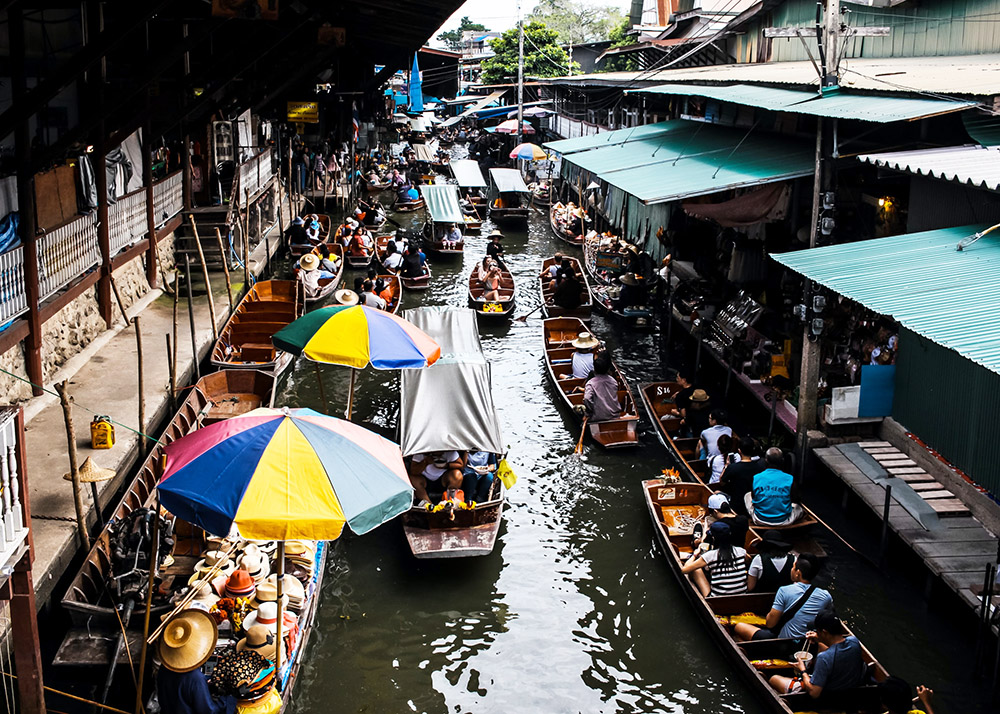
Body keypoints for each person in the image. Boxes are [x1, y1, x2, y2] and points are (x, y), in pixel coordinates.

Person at [768, 609, 868, 697]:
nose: (816, 632)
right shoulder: (854, 642)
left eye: (817, 631)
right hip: (849, 692)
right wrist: (819, 639)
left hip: (827, 698)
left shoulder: (824, 658)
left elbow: (814, 693)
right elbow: (839, 646)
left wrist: (803, 671)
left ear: (824, 632)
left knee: (773, 679)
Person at [733, 553, 832, 641]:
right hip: (808, 641)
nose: (791, 569)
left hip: (782, 643)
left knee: (739, 627)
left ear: (798, 573)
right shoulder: (826, 595)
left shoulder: (784, 591)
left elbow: (770, 623)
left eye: (793, 567)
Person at [156, 610, 236, 714]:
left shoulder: (165, 666)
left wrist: (211, 680)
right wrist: (228, 698)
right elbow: (209, 711)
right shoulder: (195, 678)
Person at [681, 520, 747, 597]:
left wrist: (695, 554)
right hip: (742, 595)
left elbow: (684, 570)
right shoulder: (741, 551)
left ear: (713, 538)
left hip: (717, 598)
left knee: (696, 569)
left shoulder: (710, 556)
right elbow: (748, 560)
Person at [747, 447, 804, 526]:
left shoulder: (757, 478)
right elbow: (794, 499)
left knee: (747, 496)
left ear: (766, 460)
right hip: (783, 521)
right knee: (799, 508)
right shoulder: (789, 478)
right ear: (782, 460)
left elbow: (753, 497)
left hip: (760, 519)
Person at [719, 437, 765, 517]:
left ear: (739, 451)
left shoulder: (732, 468)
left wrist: (726, 465)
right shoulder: (760, 468)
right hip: (753, 506)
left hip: (736, 507)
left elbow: (722, 482)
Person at [583, 352, 621, 422]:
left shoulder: (591, 383)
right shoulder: (613, 381)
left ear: (594, 369)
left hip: (597, 417)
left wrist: (590, 411)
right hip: (615, 415)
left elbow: (587, 399)